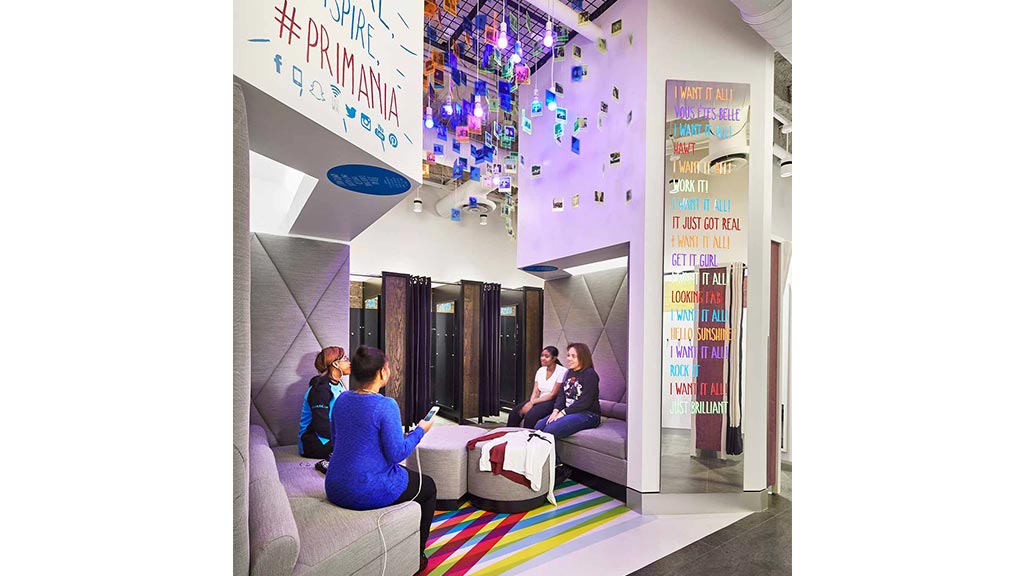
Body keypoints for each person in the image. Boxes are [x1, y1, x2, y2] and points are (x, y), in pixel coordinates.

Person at [325, 346, 436, 573]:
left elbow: (336, 442)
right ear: (382, 373)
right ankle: (418, 556)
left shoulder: (341, 400)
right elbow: (397, 454)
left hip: (334, 486)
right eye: (387, 367)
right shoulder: (386, 406)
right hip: (364, 491)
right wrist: (420, 431)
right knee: (429, 487)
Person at [536, 343, 601, 484]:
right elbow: (561, 396)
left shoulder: (590, 375)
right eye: (568, 355)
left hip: (589, 414)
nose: (569, 359)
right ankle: (544, 466)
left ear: (582, 357)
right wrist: (555, 411)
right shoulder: (569, 373)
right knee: (538, 426)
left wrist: (564, 412)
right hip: (569, 411)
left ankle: (558, 468)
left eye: (573, 356)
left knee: (550, 430)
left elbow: (586, 401)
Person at [297, 346, 350, 459]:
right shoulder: (320, 389)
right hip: (313, 442)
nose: (349, 362)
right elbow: (320, 426)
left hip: (328, 437)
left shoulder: (337, 384)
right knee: (359, 447)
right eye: (345, 358)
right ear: (335, 364)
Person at [507, 346, 568, 429]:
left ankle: (528, 439)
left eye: (547, 356)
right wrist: (532, 401)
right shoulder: (540, 370)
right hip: (539, 399)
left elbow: (553, 394)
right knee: (514, 413)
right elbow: (536, 391)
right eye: (542, 356)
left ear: (554, 358)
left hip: (552, 401)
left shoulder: (562, 371)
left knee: (530, 416)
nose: (543, 358)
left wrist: (532, 403)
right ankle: (510, 437)